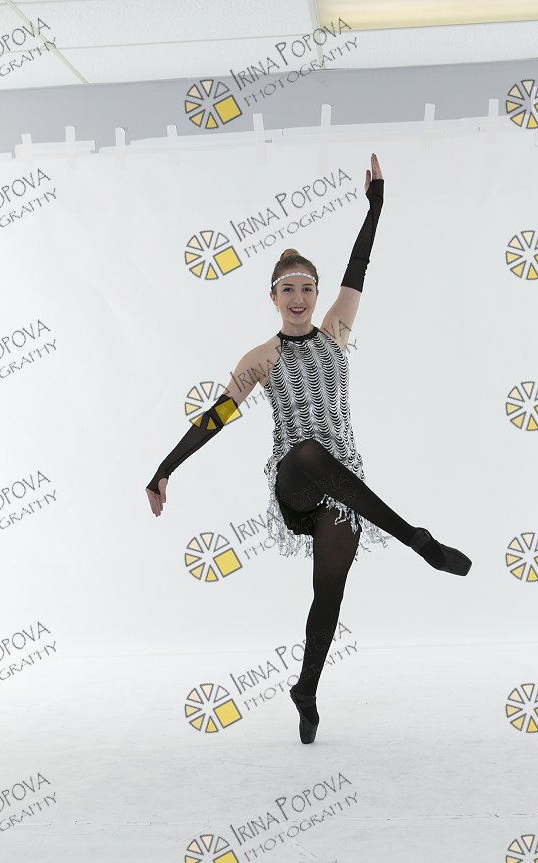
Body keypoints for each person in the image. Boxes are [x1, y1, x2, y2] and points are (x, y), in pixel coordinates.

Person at [146, 153, 472, 744]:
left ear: (318, 295)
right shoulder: (261, 357)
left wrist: (375, 206)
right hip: (295, 482)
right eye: (287, 290)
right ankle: (419, 542)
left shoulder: (337, 331)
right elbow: (215, 418)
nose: (298, 297)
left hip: (344, 492)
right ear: (273, 297)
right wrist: (164, 470)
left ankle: (307, 691)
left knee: (330, 592)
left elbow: (359, 265)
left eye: (307, 289)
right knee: (307, 452)